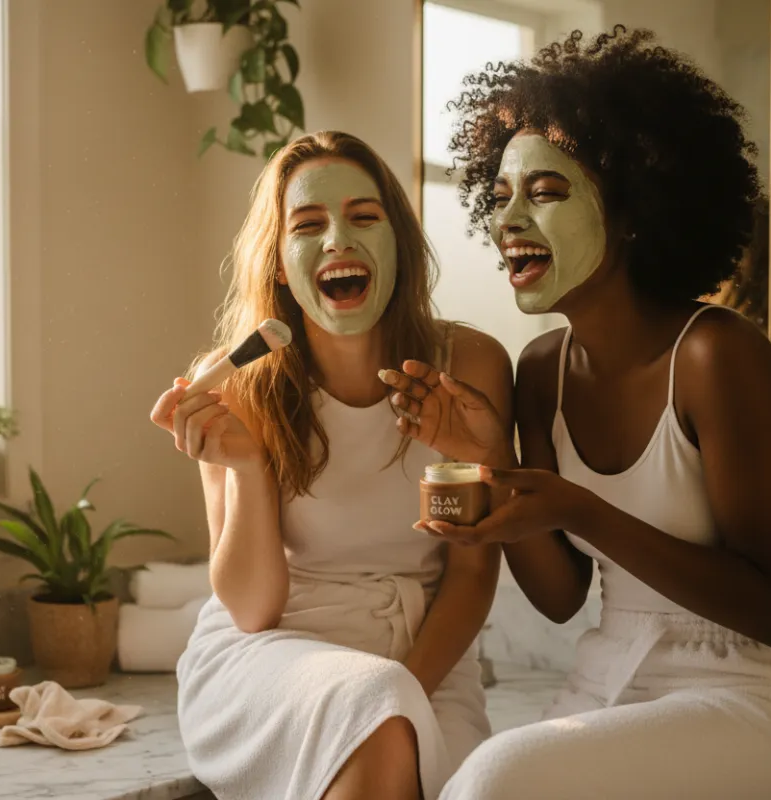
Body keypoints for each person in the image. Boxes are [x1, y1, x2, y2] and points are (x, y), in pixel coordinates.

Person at [383, 28, 771, 799]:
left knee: (495, 780)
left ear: (635, 209)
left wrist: (583, 511)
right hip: (612, 677)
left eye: (546, 191)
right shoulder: (540, 372)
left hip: (757, 697)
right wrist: (495, 462)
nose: (507, 221)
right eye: (499, 197)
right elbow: (563, 598)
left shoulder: (717, 356)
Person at [149, 131, 512, 800]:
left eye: (364, 217)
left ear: (396, 243)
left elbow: (471, 574)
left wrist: (405, 694)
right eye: (308, 224)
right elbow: (253, 610)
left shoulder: (472, 367)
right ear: (282, 264)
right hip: (267, 660)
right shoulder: (232, 384)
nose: (338, 239)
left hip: (425, 657)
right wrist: (252, 467)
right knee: (377, 713)